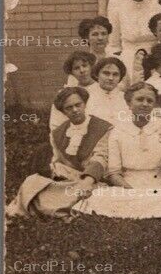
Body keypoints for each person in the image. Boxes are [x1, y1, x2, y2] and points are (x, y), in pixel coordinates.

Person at [73, 81, 161, 218]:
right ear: (129, 103)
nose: (145, 104)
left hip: (160, 182)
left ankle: (147, 204)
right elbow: (114, 172)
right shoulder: (117, 131)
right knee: (99, 196)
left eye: (150, 101)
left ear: (154, 104)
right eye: (139, 99)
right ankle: (143, 204)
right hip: (128, 184)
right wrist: (130, 191)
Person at [6, 87, 105, 218]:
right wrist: (55, 171)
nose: (75, 110)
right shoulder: (57, 133)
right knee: (31, 181)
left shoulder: (102, 127)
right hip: (67, 179)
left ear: (85, 104)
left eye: (78, 105)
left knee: (82, 192)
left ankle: (47, 206)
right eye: (69, 108)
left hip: (91, 178)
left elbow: (101, 157)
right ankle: (55, 204)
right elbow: (57, 160)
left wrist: (87, 181)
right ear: (63, 111)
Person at [107, 0, 160, 82]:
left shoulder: (158, 8)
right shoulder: (118, 10)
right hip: (128, 58)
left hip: (154, 58)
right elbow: (114, 43)